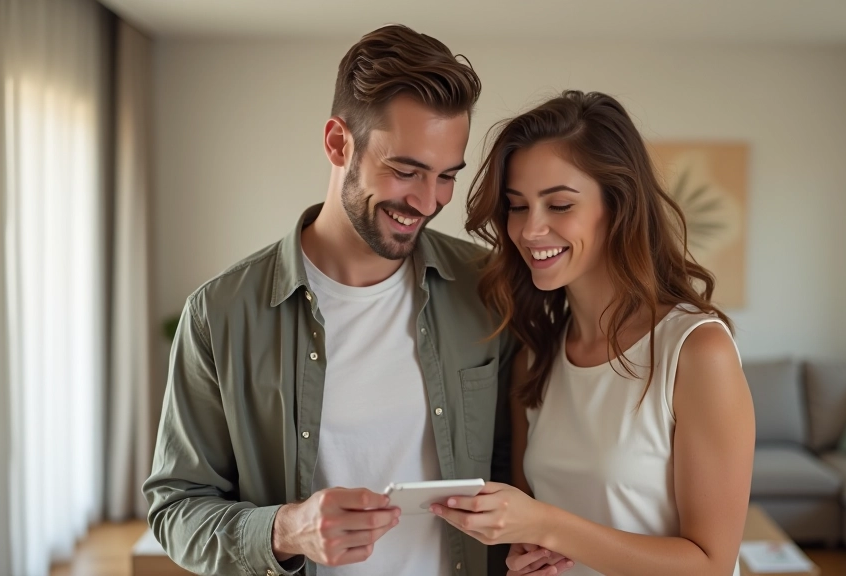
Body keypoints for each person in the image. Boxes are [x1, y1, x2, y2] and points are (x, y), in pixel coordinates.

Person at [144, 25, 517, 576]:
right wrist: (287, 529)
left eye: (445, 177)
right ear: (339, 143)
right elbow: (176, 508)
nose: (427, 200)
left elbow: (517, 466)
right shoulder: (220, 315)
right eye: (405, 170)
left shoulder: (487, 288)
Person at [431, 90, 756, 576]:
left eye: (559, 204)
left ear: (618, 206)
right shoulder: (535, 358)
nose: (530, 230)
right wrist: (528, 556)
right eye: (517, 206)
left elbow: (710, 564)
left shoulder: (695, 350)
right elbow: (536, 535)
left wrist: (544, 525)